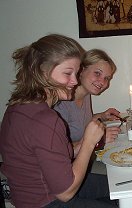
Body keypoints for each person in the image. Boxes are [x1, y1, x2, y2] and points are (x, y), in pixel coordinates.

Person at [0, 34, 116, 207]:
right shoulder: (46, 119)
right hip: (45, 201)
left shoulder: (17, 106)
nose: (75, 81)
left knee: (118, 189)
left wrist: (86, 139)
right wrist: (89, 143)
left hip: (42, 189)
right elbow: (65, 193)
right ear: (42, 72)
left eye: (75, 73)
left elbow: (57, 153)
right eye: (68, 73)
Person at [54, 49, 120, 152]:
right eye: (97, 73)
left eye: (107, 78)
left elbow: (80, 122)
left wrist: (101, 116)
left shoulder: (86, 94)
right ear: (81, 70)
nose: (102, 82)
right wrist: (99, 140)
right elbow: (58, 152)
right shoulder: (61, 104)